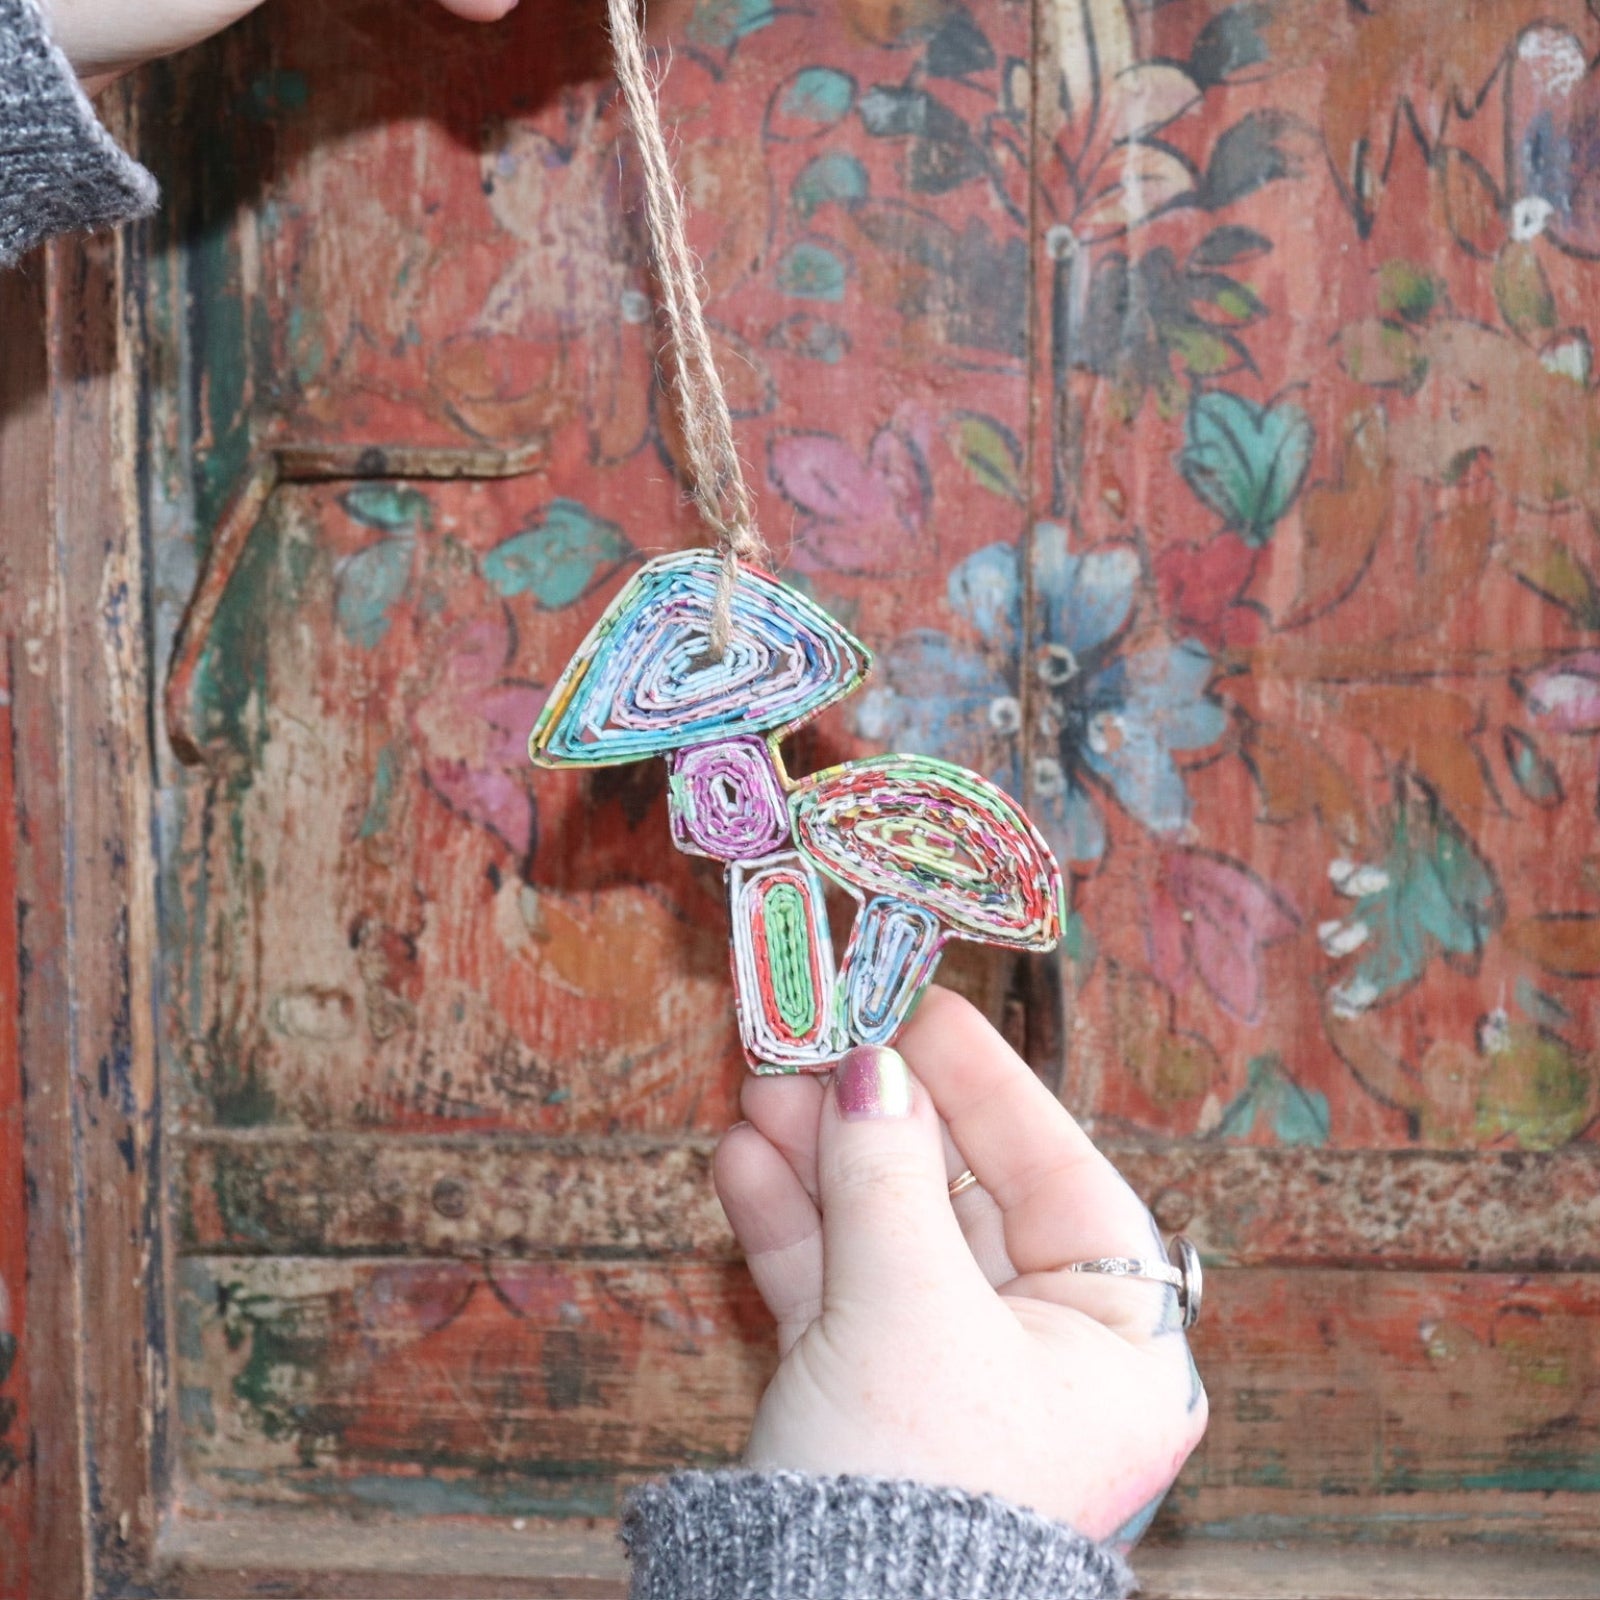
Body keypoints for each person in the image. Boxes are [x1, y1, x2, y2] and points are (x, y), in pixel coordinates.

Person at [0, 4, 1207, 1593]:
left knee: (827, 988)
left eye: (720, 775)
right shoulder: (752, 807)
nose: (703, 813)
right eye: (697, 778)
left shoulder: (841, 832)